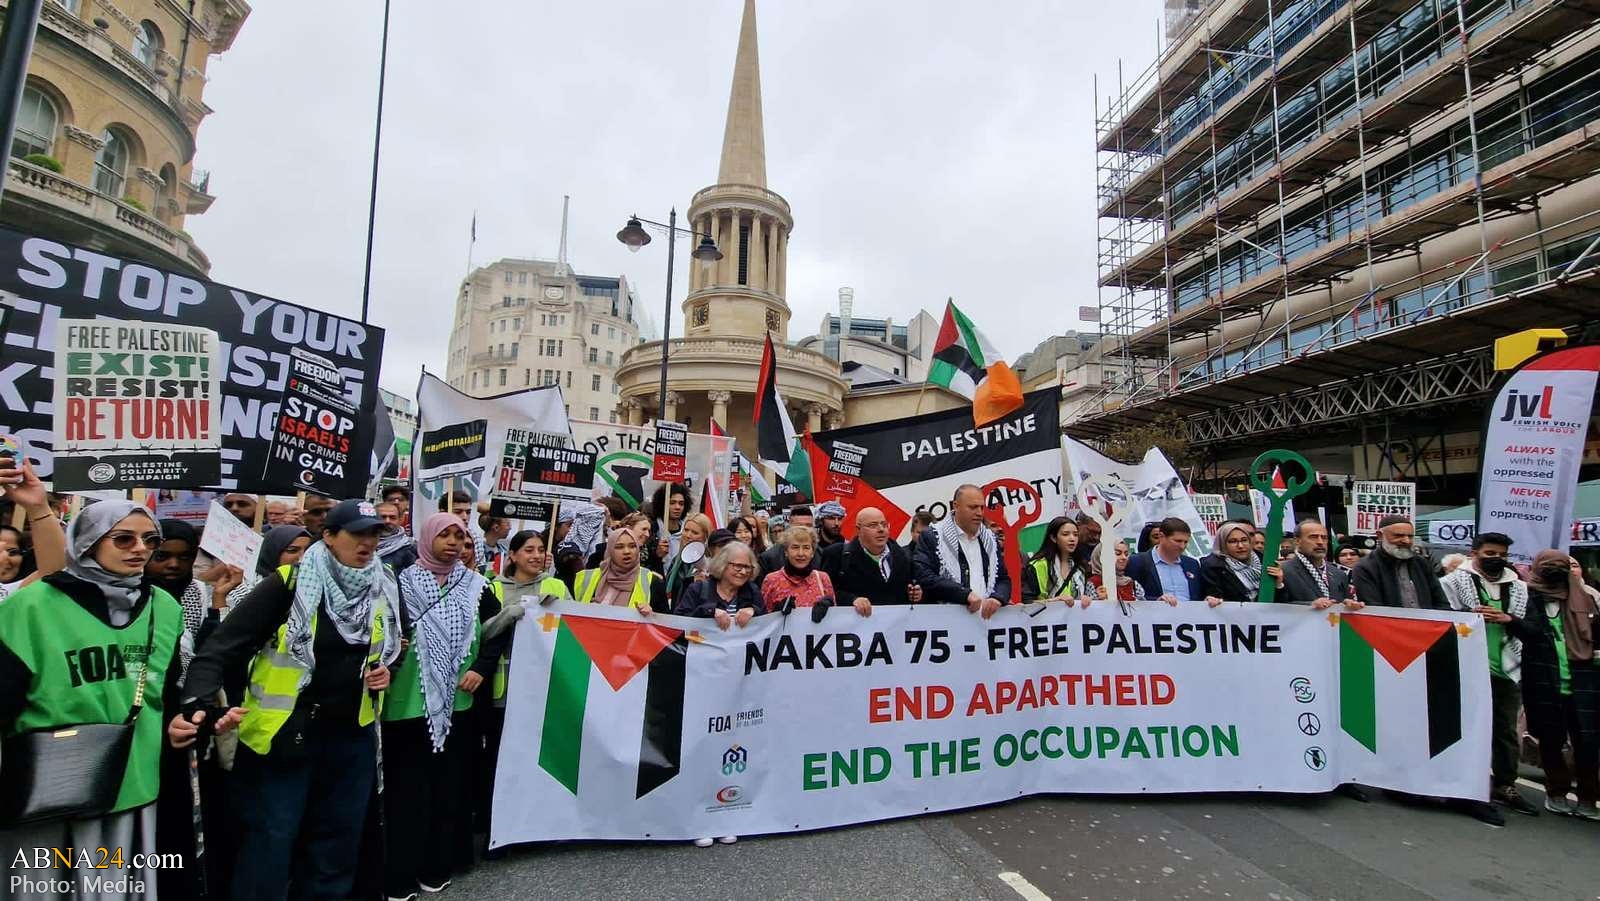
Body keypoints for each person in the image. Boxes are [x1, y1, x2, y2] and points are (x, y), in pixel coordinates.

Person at [176, 500, 401, 901]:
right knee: (271, 843)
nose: (367, 543)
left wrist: (385, 669)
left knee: (336, 845)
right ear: (328, 536)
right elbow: (220, 649)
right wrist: (197, 704)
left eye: (374, 534)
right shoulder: (290, 582)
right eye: (357, 533)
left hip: (350, 736)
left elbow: (388, 646)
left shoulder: (381, 581)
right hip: (285, 736)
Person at [0, 502, 211, 901]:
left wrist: (176, 723)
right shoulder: (30, 606)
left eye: (150, 539)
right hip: (45, 785)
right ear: (87, 542)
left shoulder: (164, 607)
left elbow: (162, 690)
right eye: (123, 538)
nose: (140, 548)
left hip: (129, 783)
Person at [382, 513, 508, 899]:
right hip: (405, 705)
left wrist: (481, 668)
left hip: (458, 706)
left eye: (459, 536)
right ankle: (401, 873)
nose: (453, 543)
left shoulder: (477, 587)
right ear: (426, 539)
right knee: (407, 794)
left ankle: (438, 866)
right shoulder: (397, 584)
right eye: (445, 535)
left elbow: (496, 632)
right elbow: (378, 630)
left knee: (448, 790)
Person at [1439, 531, 1538, 816]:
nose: (1497, 559)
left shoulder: (1519, 588)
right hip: (1466, 668)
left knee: (1505, 731)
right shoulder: (1451, 583)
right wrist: (1469, 616)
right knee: (1466, 729)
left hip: (1505, 670)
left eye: (1502, 555)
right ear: (1475, 553)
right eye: (1490, 553)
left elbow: (1534, 630)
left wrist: (1509, 619)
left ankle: (1505, 785)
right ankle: (1465, 783)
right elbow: (1439, 618)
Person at [672, 542, 759, 848]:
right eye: (737, 566)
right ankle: (697, 819)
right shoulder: (699, 590)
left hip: (738, 686)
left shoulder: (752, 592)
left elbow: (768, 621)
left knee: (732, 748)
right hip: (701, 681)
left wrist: (754, 610)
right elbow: (679, 621)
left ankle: (727, 814)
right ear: (723, 565)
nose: (742, 572)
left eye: (747, 567)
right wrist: (710, 611)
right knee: (700, 748)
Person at [1520, 549, 1600, 819]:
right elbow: (1527, 632)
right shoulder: (1528, 597)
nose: (1556, 570)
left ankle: (1588, 797)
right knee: (1551, 740)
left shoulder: (1586, 598)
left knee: (1588, 742)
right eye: (1549, 565)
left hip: (1584, 679)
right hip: (1544, 678)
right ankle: (1557, 793)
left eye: (1561, 565)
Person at [913, 485, 1010, 618]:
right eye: (973, 507)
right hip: (945, 620)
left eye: (981, 507)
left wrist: (998, 597)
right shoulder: (933, 536)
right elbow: (924, 576)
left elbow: (1003, 579)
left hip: (986, 620)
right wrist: (964, 594)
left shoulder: (990, 539)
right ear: (956, 506)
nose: (979, 513)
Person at [820, 506, 922, 614]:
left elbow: (911, 589)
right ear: (858, 529)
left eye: (884, 524)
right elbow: (825, 592)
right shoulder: (837, 555)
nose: (881, 529)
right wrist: (852, 600)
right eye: (873, 525)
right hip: (856, 622)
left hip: (896, 622)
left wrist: (915, 594)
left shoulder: (903, 556)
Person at [1350, 516, 1448, 609]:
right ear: (1380, 536)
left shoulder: (1421, 563)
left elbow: (1441, 603)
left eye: (1410, 536)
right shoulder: (1365, 567)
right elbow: (1374, 608)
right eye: (1398, 536)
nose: (1406, 541)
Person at [574, 530, 666, 611]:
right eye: (619, 547)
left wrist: (652, 615)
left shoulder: (653, 582)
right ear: (610, 550)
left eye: (632, 546)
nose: (627, 551)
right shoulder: (585, 578)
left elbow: (665, 621)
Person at [1280, 519, 1361, 610]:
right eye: (1313, 537)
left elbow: (1343, 602)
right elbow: (1274, 606)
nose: (1320, 542)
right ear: (1297, 541)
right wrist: (1311, 605)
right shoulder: (1283, 571)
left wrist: (1349, 604)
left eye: (1324, 538)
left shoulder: (1339, 574)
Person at [1198, 521, 1280, 607]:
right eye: (1233, 541)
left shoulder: (1263, 560)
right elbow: (1216, 599)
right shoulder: (1213, 566)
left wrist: (1278, 584)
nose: (1240, 546)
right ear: (1222, 544)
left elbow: (1282, 601)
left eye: (1244, 540)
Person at [760, 524, 835, 613]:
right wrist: (777, 611)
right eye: (795, 547)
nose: (800, 553)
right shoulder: (772, 580)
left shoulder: (823, 578)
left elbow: (834, 616)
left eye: (806, 547)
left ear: (812, 552)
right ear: (786, 551)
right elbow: (763, 618)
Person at [1125, 517, 1200, 603]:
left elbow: (1198, 597)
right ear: (1161, 537)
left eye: (1185, 542)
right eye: (1178, 541)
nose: (1182, 546)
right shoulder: (1137, 562)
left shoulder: (1192, 564)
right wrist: (1157, 601)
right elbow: (1131, 596)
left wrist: (1207, 601)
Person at [1021, 517, 1091, 605]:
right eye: (1065, 534)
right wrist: (1053, 601)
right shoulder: (1037, 566)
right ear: (1053, 538)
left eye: (1075, 535)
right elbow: (1026, 602)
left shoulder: (1081, 566)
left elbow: (1086, 594)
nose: (1072, 539)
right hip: (1045, 614)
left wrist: (1086, 599)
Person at [663, 513, 714, 607]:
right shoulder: (677, 561)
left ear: (705, 537)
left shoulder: (711, 564)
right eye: (686, 530)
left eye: (695, 533)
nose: (688, 535)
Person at [760, 505, 813, 576]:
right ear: (789, 526)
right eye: (799, 526)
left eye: (808, 525)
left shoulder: (822, 554)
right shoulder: (769, 557)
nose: (804, 529)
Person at [648, 482, 692, 564]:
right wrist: (656, 555)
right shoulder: (651, 529)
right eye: (672, 503)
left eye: (681, 504)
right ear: (662, 504)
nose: (677, 507)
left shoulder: (688, 531)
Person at [377, 501, 418, 572]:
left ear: (400, 520)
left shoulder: (410, 549)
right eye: (382, 517)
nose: (387, 521)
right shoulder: (362, 544)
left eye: (392, 517)